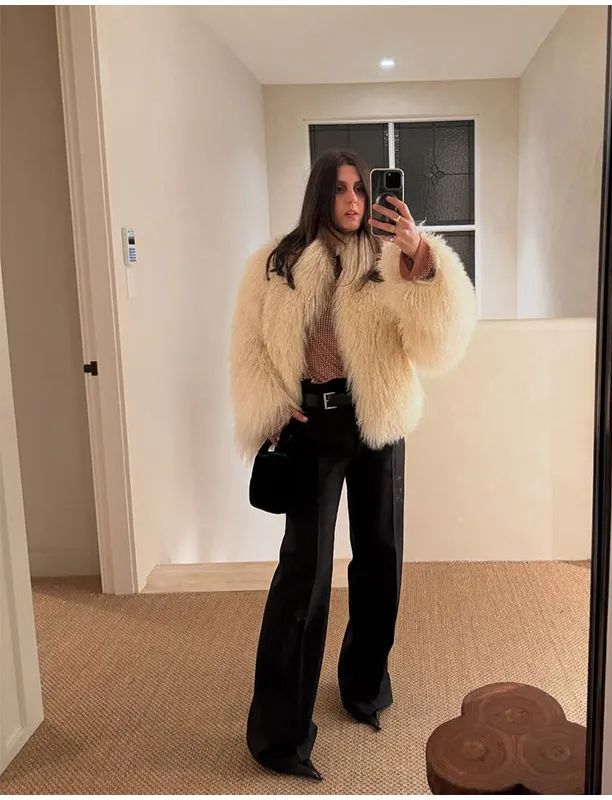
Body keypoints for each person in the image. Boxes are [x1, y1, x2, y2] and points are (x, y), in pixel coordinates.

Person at [229, 149, 476, 781]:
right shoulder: (277, 263)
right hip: (312, 426)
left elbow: (435, 343)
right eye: (340, 189)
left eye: (361, 190)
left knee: (380, 560)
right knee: (302, 573)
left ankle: (365, 687)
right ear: (320, 194)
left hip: (379, 421)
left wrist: (421, 262)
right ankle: (280, 734)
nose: (353, 200)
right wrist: (272, 406)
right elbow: (249, 346)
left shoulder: (390, 258)